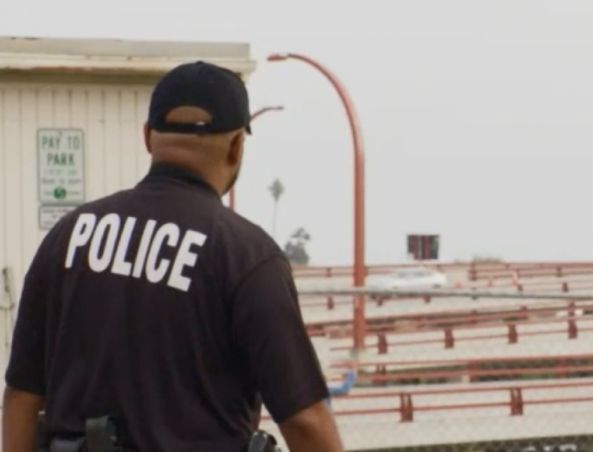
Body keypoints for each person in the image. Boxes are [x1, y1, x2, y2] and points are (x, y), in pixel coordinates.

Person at [3, 61, 344, 452]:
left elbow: (22, 397)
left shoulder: (69, 236)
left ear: (148, 137)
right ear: (236, 146)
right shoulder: (245, 256)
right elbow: (304, 419)